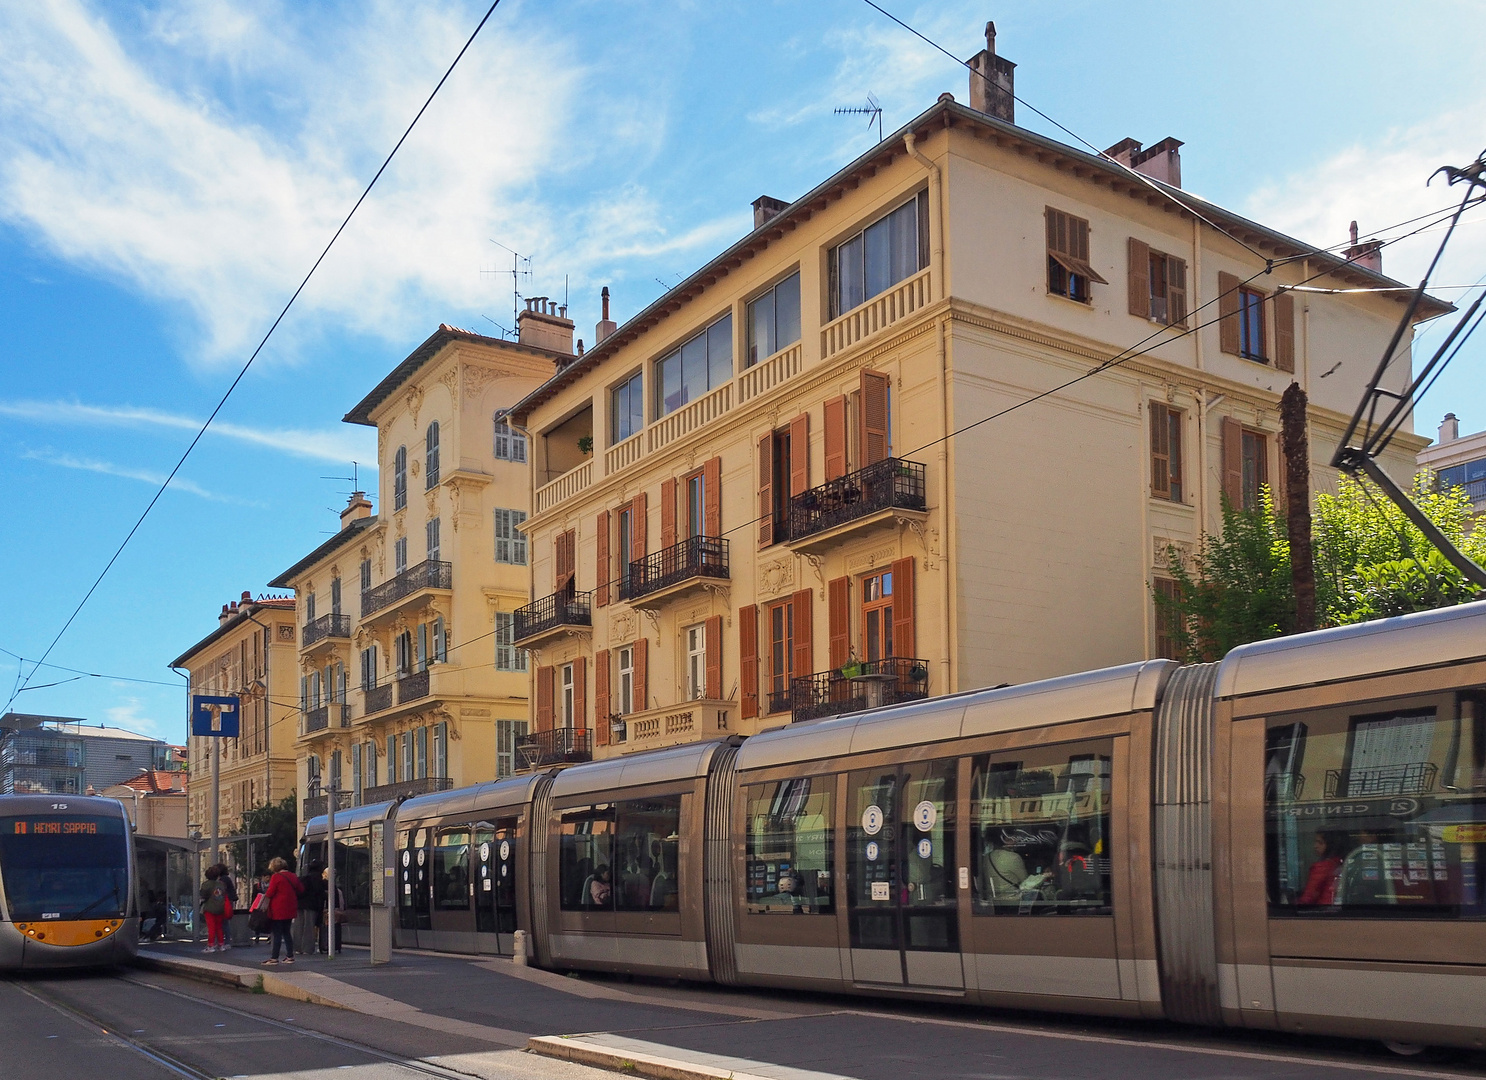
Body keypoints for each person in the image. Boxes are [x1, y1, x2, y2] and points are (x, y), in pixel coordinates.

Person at [262, 856, 303, 966]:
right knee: (287, 932)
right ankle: (290, 956)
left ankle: (274, 958)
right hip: (290, 908)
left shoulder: (276, 877)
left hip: (278, 909)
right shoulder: (293, 876)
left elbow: (270, 893)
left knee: (277, 934)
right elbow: (301, 889)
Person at [1298, 831, 1345, 906]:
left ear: (1329, 845)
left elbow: (1309, 897)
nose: (1315, 846)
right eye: (1315, 842)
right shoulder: (1338, 862)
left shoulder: (1321, 867)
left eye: (1320, 843)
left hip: (1324, 910)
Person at [297, 860, 326, 954]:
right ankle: (307, 949)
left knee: (299, 926)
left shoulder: (304, 877)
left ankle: (297, 947)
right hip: (311, 905)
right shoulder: (317, 878)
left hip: (300, 904)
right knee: (309, 927)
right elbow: (319, 891)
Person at [199, 865, 229, 953]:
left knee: (211, 927)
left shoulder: (206, 884)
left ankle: (211, 945)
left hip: (210, 908)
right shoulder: (221, 884)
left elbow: (203, 895)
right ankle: (221, 944)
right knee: (219, 927)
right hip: (220, 908)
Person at [213, 863, 239, 950]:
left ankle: (225, 941)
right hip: (227, 902)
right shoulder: (226, 878)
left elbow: (219, 891)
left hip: (224, 902)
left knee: (223, 922)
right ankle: (224, 941)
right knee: (224, 922)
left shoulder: (222, 880)